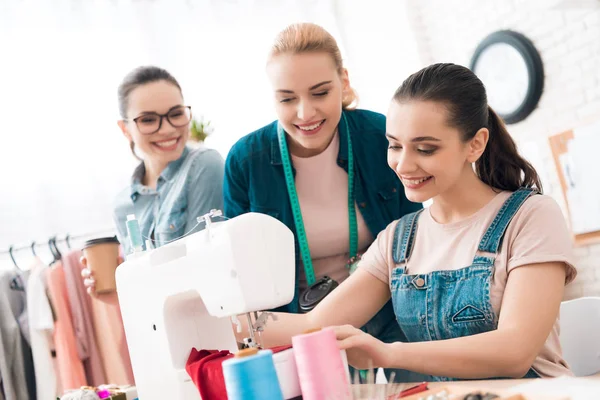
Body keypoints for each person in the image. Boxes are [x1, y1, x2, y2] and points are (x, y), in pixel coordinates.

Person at [242, 63, 577, 381]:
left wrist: (390, 354)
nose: (403, 164)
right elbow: (315, 324)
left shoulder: (530, 217)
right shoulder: (398, 241)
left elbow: (515, 351)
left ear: (475, 144)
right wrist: (236, 323)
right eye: (394, 146)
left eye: (425, 149)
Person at [223, 22, 422, 380]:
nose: (305, 113)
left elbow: (419, 239)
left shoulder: (382, 138)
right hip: (298, 320)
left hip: (390, 305)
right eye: (287, 98)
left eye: (319, 93)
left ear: (343, 82)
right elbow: (239, 276)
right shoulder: (244, 161)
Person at [82, 66, 225, 295]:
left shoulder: (204, 165)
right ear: (125, 129)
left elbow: (202, 274)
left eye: (176, 114)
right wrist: (116, 294)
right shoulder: (123, 205)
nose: (167, 129)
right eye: (148, 120)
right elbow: (145, 301)